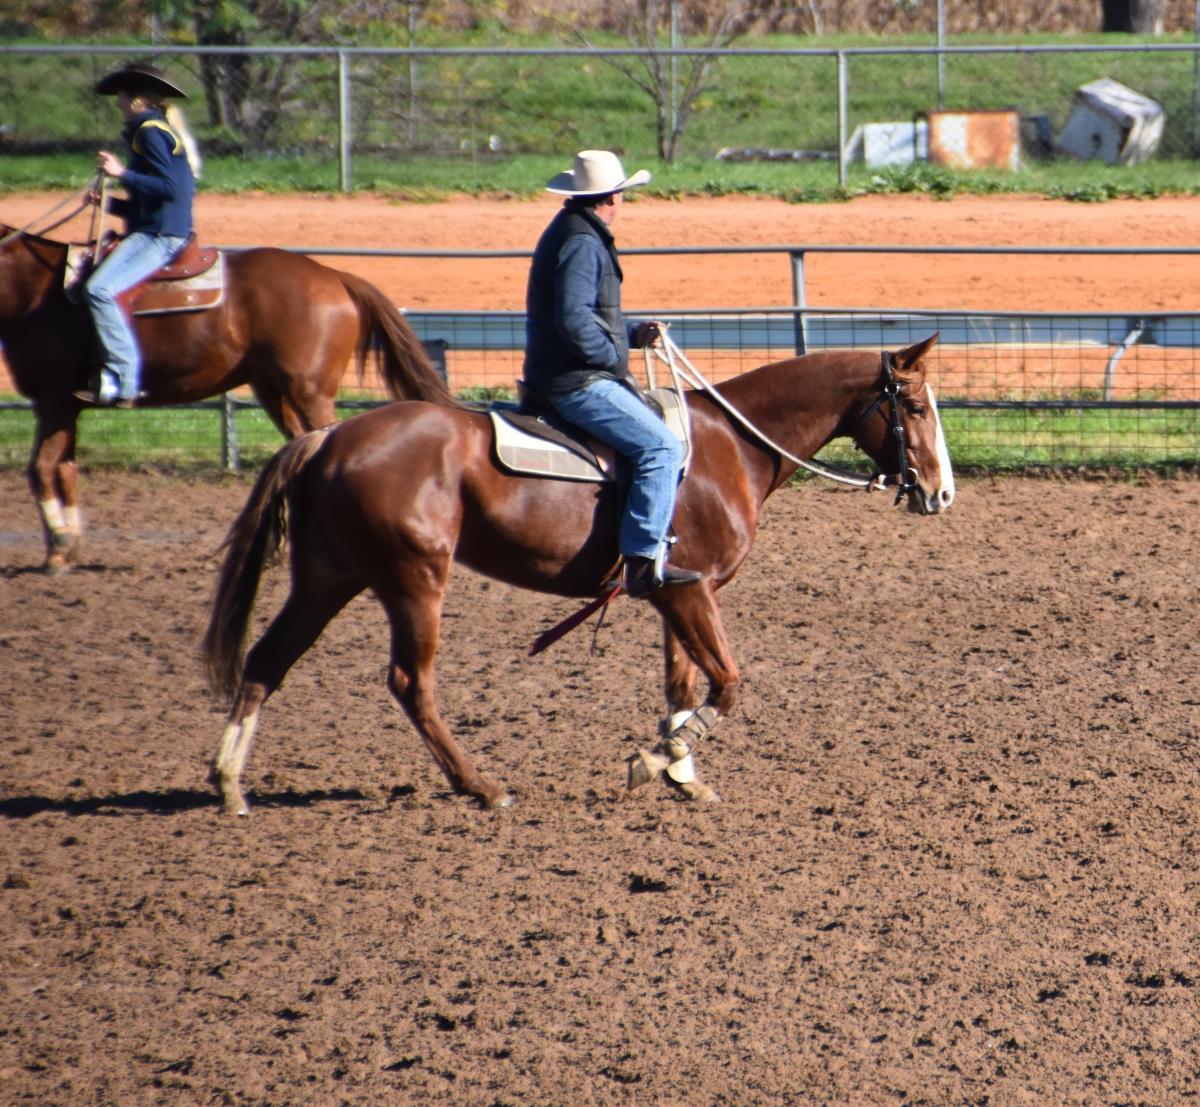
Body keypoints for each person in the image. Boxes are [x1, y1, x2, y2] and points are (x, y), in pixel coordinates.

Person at [523, 149, 702, 599]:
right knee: (661, 447)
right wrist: (613, 358)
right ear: (612, 197)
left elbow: (587, 315)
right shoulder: (583, 243)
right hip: (575, 381)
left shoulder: (574, 231)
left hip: (564, 371)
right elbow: (574, 321)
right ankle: (642, 560)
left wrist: (632, 333)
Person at [74, 62, 197, 408]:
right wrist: (109, 203)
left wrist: (121, 173)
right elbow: (150, 202)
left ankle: (124, 381)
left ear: (136, 100)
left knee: (98, 289)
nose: (118, 103)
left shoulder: (149, 132)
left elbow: (169, 188)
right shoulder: (152, 129)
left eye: (122, 97)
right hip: (157, 227)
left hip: (160, 235)